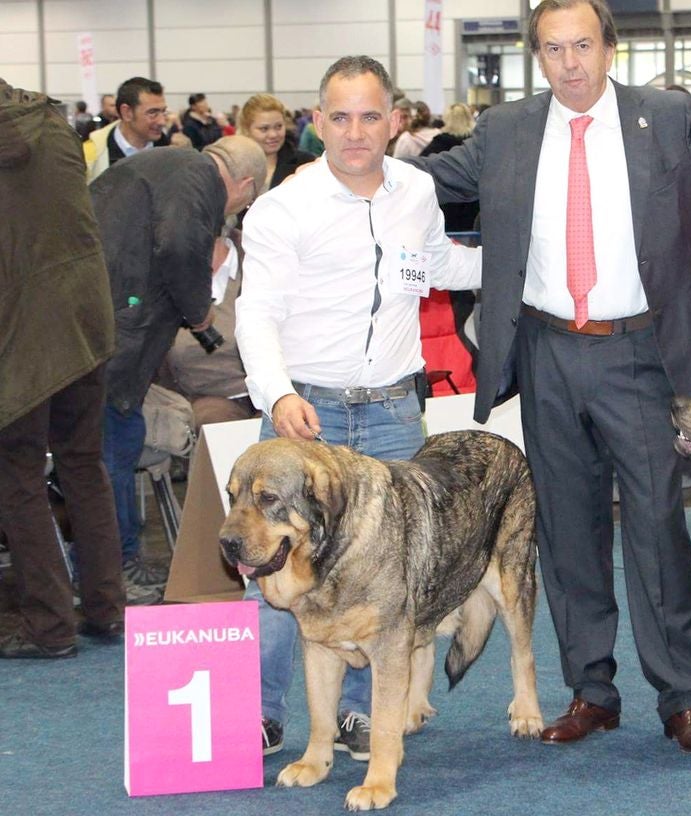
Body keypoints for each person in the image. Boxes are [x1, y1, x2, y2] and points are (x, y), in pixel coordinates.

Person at [414, 0, 691, 755]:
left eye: (583, 45)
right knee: (567, 532)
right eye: (553, 49)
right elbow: (422, 181)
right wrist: (352, 168)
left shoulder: (666, 116)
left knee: (656, 529)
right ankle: (592, 691)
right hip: (547, 351)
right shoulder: (507, 129)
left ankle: (682, 697)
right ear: (537, 57)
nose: (570, 62)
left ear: (610, 49)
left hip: (643, 354)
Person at [237, 55, 480, 758]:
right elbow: (256, 314)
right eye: (339, 117)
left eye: (369, 116)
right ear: (318, 123)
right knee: (272, 568)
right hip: (302, 419)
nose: (354, 132)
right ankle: (261, 712)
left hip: (393, 415)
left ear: (394, 121)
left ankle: (352, 713)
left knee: (386, 578)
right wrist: (277, 394)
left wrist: (525, 262)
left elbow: (439, 264)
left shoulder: (416, 189)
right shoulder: (284, 206)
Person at [92, 135, 266, 594]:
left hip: (102, 324)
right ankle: (115, 570)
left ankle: (112, 566)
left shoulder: (163, 167)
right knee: (113, 450)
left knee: (113, 446)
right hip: (115, 340)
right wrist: (200, 313)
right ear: (244, 185)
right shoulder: (196, 178)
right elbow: (176, 245)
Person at [0, 80, 125, 658]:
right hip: (84, 310)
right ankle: (106, 608)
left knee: (17, 472)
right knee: (80, 462)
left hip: (22, 321)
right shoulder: (49, 117)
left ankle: (48, 625)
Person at [84, 76, 167, 182]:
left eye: (163, 112)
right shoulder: (91, 157)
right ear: (127, 113)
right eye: (152, 113)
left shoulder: (173, 151)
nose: (162, 121)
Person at [236, 93, 315, 197]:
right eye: (264, 129)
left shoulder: (305, 164)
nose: (273, 134)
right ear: (247, 130)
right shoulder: (234, 166)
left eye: (278, 127)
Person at [418, 101, 479, 233]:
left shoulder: (439, 143)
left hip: (446, 209)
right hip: (474, 208)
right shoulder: (477, 144)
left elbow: (422, 171)